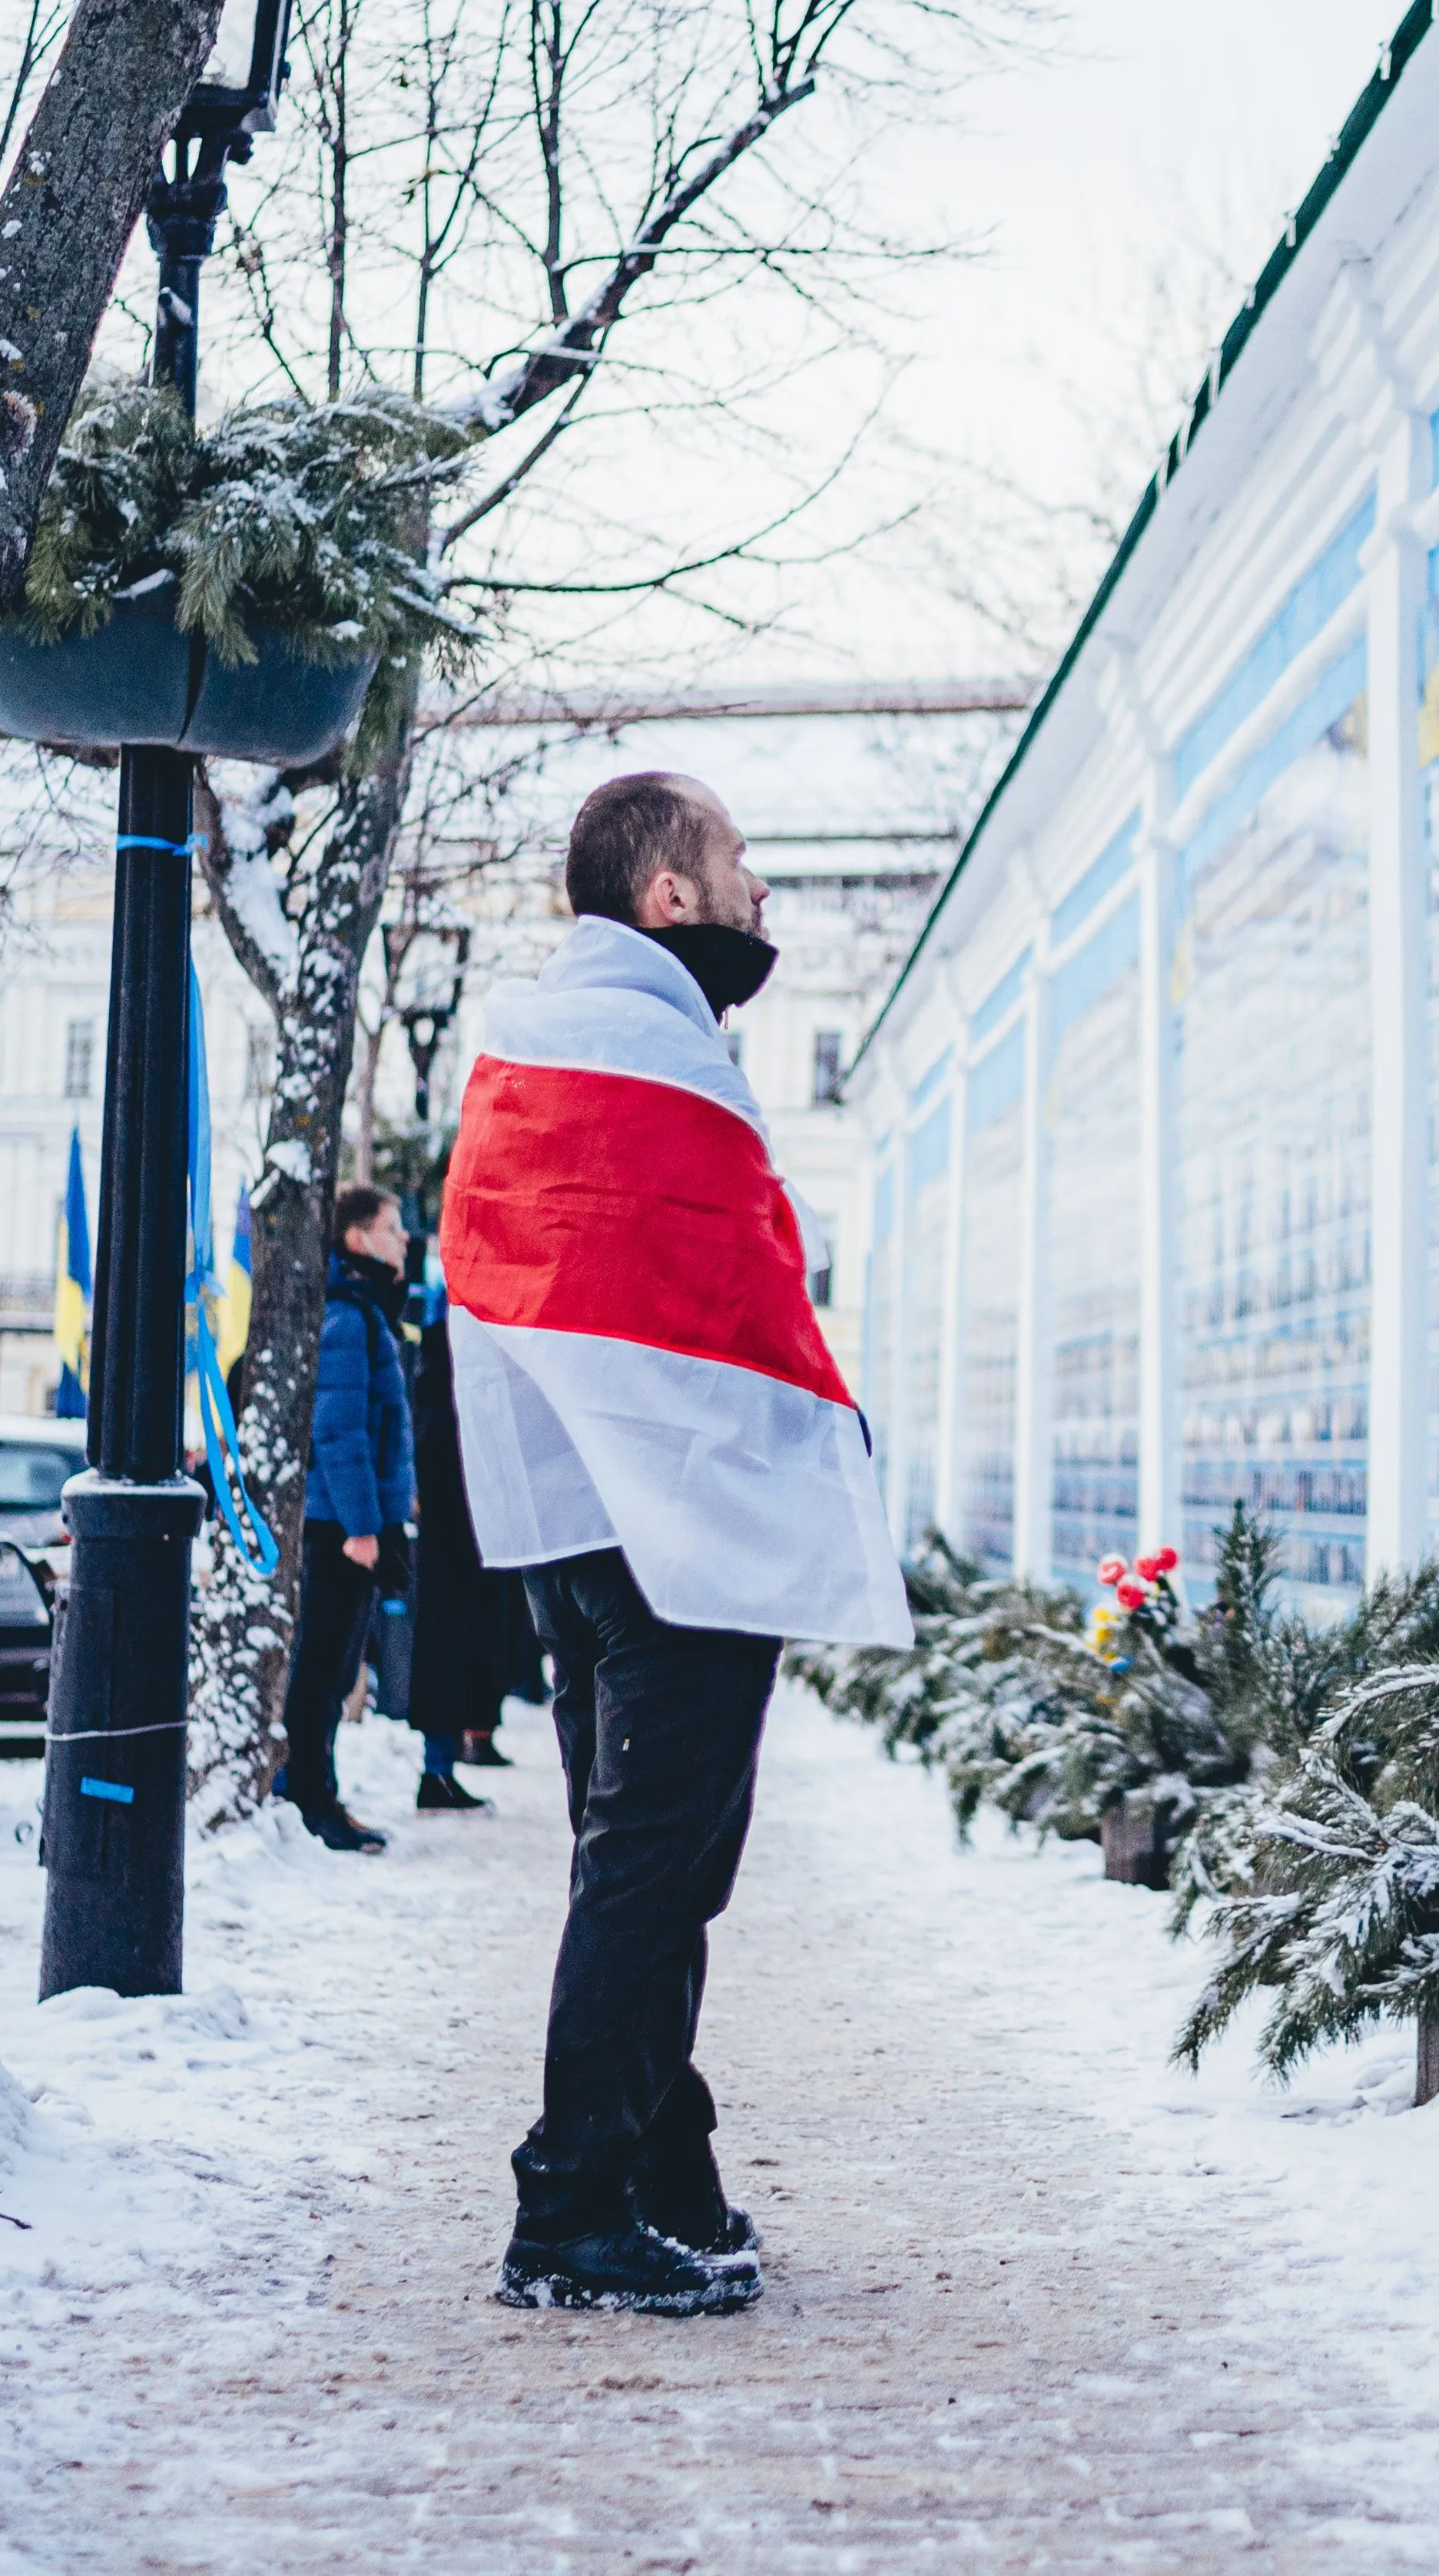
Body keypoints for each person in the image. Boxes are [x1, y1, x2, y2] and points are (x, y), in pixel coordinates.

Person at [445, 771, 907, 2317]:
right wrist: (808, 1441)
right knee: (654, 1864)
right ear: (667, 896)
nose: (761, 892)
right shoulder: (651, 1047)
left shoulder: (540, 1031)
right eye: (741, 863)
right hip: (671, 1523)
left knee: (641, 1857)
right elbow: (724, 1295)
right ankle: (570, 2199)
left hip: (583, 1516)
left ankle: (657, 2162)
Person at [284, 1183, 419, 1852]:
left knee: (337, 1663)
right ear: (357, 1237)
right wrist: (364, 1527)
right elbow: (340, 1432)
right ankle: (312, 1796)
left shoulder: (367, 1310)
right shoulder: (347, 1315)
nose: (404, 1240)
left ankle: (313, 1789)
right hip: (342, 1525)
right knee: (324, 1664)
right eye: (392, 1228)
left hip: (356, 1521)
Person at [411, 1277, 535, 1789]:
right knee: (451, 1643)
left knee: (476, 1640)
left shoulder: (449, 1370)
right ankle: (438, 1763)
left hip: (472, 1531)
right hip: (457, 1533)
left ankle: (454, 1751)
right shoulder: (446, 1377)